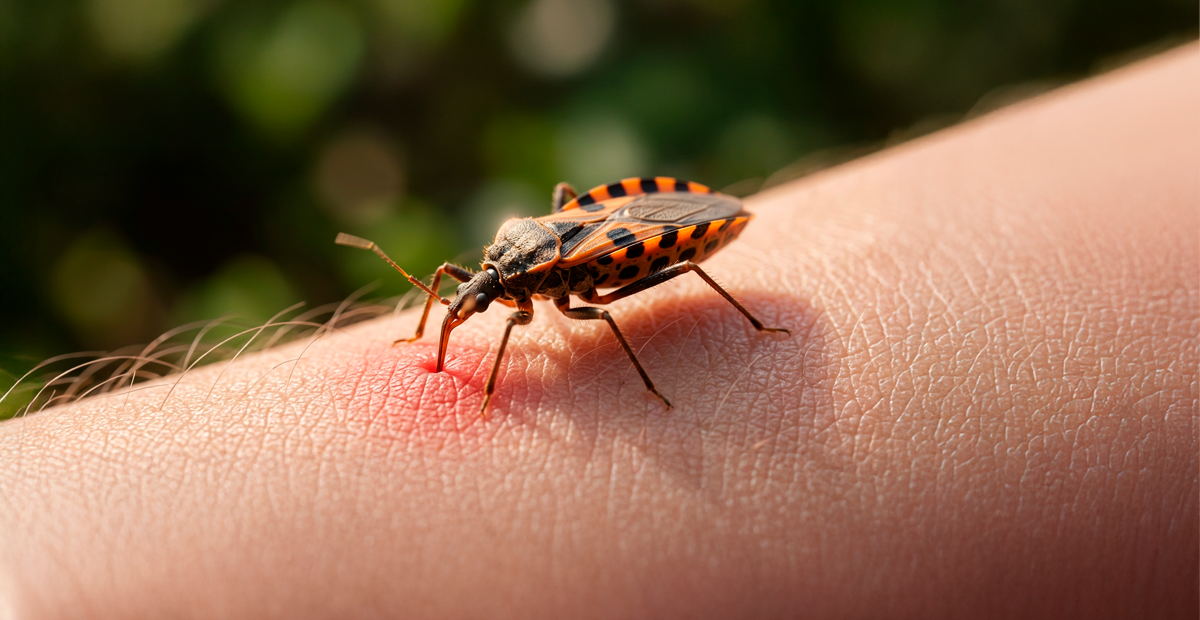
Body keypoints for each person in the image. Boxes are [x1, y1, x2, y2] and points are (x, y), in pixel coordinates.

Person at [1, 46, 1195, 620]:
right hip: (597, 228)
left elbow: (616, 285)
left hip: (675, 243)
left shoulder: (554, 281)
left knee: (634, 291)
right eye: (457, 302)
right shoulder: (491, 273)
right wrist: (442, 340)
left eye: (467, 305)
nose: (466, 307)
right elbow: (472, 289)